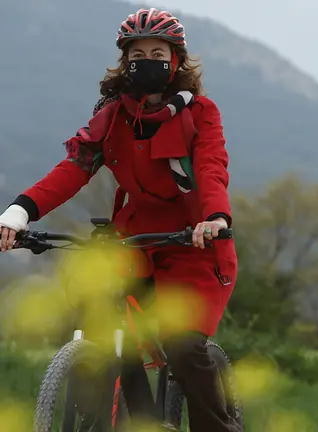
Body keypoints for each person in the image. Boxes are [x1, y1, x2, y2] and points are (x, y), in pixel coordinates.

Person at [0, 8, 241, 432]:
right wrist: (20, 212)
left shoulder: (201, 112)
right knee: (108, 323)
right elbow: (73, 169)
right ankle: (145, 422)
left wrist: (215, 217)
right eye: (138, 53)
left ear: (176, 60)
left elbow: (210, 168)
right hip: (135, 241)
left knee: (183, 347)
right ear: (125, 61)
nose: (146, 60)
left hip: (195, 244)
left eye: (158, 52)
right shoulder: (113, 116)